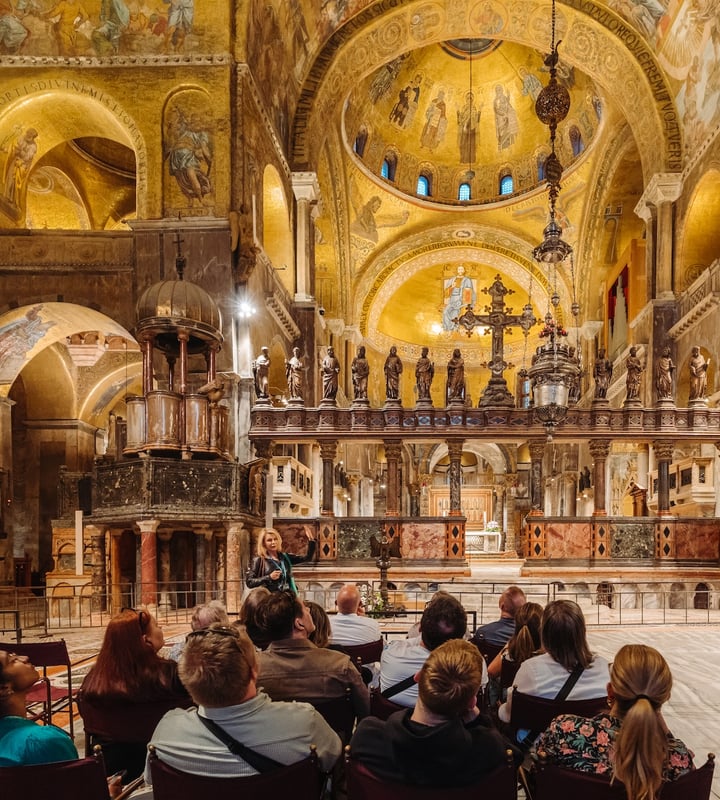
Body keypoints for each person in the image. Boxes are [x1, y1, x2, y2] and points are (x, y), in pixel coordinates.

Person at [145, 624, 341, 782]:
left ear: (187, 681)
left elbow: (152, 781)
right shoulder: (305, 723)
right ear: (254, 672)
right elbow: (334, 761)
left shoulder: (165, 735)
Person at [350, 639, 521, 786]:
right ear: (472, 702)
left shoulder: (368, 737)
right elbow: (515, 758)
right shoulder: (487, 750)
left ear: (417, 677)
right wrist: (478, 720)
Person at [536, 644, 693, 797]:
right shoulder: (678, 760)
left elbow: (538, 778)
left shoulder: (565, 731)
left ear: (610, 692)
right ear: (663, 699)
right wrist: (660, 721)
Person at [79, 607, 191, 779]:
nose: (161, 630)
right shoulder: (171, 676)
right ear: (146, 640)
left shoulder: (94, 681)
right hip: (165, 770)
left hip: (111, 775)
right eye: (158, 626)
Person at [255, 591, 370, 719]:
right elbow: (365, 711)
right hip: (331, 738)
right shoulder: (340, 665)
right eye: (305, 608)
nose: (309, 610)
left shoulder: (253, 669)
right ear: (299, 623)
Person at [498, 600, 609, 726]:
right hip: (590, 744)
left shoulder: (530, 669)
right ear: (582, 631)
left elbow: (509, 715)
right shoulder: (604, 668)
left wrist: (500, 710)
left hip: (540, 744)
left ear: (544, 634)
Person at [380, 592, 484, 708]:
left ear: (419, 628)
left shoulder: (391, 654)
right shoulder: (475, 665)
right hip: (452, 725)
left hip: (396, 723)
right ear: (461, 636)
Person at [0, 648, 78, 765]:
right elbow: (78, 782)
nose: (24, 658)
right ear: (3, 688)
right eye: (12, 660)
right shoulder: (43, 741)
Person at [245, 527, 317, 594]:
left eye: (275, 539)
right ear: (264, 543)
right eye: (269, 540)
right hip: (269, 600)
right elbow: (250, 582)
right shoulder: (259, 560)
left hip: (286, 597)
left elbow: (307, 558)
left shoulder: (285, 557)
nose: (273, 542)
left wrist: (311, 541)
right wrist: (269, 577)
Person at [443, 265, 475, 331]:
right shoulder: (452, 280)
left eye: (462, 269)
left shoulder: (467, 280)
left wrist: (464, 302)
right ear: (456, 270)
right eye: (459, 269)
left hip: (460, 299)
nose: (460, 271)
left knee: (455, 313)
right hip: (452, 299)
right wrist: (452, 287)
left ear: (464, 271)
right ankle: (448, 327)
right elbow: (446, 292)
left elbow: (468, 291)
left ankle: (454, 328)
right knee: (445, 312)